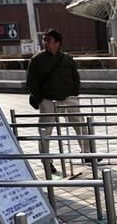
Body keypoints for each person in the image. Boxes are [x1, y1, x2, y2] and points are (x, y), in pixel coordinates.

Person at [27, 28, 87, 176]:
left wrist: (74, 93)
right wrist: (40, 99)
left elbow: (75, 77)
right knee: (45, 131)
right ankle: (47, 161)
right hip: (47, 100)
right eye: (45, 40)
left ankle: (88, 153)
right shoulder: (37, 60)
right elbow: (31, 81)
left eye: (49, 40)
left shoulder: (67, 58)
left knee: (80, 125)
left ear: (58, 43)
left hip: (68, 98)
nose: (46, 43)